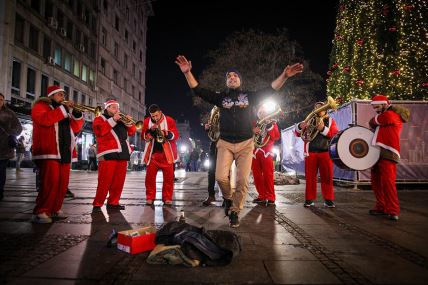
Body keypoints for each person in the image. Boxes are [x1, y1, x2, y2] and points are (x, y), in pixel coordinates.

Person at [176, 55, 303, 228]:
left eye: (235, 76)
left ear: (240, 80)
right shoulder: (220, 98)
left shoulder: (249, 96)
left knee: (243, 181)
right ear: (226, 82)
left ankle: (235, 211)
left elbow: (271, 89)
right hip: (225, 143)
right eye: (229, 76)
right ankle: (228, 198)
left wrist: (285, 75)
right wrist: (187, 73)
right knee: (221, 177)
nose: (232, 78)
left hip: (245, 143)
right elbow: (198, 89)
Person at [31, 85, 83, 223]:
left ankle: (55, 209)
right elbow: (45, 120)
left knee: (62, 184)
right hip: (49, 152)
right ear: (51, 96)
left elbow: (76, 127)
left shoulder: (63, 110)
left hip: (64, 151)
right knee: (50, 183)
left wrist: (77, 113)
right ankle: (41, 211)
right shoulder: (40, 106)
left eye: (63, 95)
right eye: (60, 94)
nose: (63, 97)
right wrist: (64, 109)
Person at [368, 95, 409, 221]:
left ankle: (393, 210)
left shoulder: (391, 114)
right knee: (376, 181)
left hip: (389, 151)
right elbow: (374, 121)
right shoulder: (385, 114)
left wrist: (375, 120)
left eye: (377, 107)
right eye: (374, 107)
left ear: (385, 104)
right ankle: (381, 206)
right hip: (378, 151)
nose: (375, 109)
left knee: (388, 182)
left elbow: (374, 121)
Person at [92, 99, 137, 211]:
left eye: (117, 107)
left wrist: (129, 122)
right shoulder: (99, 119)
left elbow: (132, 132)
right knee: (104, 181)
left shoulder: (121, 120)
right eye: (113, 107)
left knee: (118, 182)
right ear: (107, 108)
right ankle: (97, 204)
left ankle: (113, 202)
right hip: (108, 153)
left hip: (122, 153)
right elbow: (100, 131)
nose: (117, 109)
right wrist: (113, 120)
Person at [295, 101, 338, 208]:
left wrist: (322, 129)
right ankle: (309, 199)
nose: (319, 109)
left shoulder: (330, 120)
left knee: (327, 177)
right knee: (310, 177)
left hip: (325, 152)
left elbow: (334, 134)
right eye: (317, 107)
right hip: (311, 152)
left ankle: (328, 199)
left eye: (321, 107)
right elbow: (296, 133)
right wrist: (300, 126)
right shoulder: (309, 119)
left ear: (326, 109)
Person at [141, 104, 179, 206]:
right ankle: (150, 197)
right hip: (153, 155)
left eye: (157, 115)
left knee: (169, 178)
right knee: (149, 178)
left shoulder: (169, 120)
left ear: (160, 112)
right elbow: (144, 136)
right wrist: (150, 131)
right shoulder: (146, 122)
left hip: (166, 154)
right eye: (153, 116)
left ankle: (167, 198)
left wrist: (165, 133)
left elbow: (176, 135)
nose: (155, 118)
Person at [251, 106, 281, 206]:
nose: (262, 113)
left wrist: (269, 125)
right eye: (260, 112)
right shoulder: (254, 123)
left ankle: (271, 197)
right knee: (257, 175)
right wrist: (252, 131)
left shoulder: (272, 123)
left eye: (264, 112)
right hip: (255, 152)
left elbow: (276, 136)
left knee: (268, 175)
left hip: (267, 152)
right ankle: (262, 195)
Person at [0, 93, 23, 201]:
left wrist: (10, 133)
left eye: (1, 99)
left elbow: (19, 128)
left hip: (4, 148)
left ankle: (0, 191)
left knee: (1, 172)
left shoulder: (10, 113)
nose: (0, 101)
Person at [202, 122, 218, 206]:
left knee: (226, 173)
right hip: (214, 146)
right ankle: (211, 195)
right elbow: (210, 136)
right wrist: (207, 129)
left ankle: (227, 198)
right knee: (211, 172)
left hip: (225, 144)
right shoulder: (214, 114)